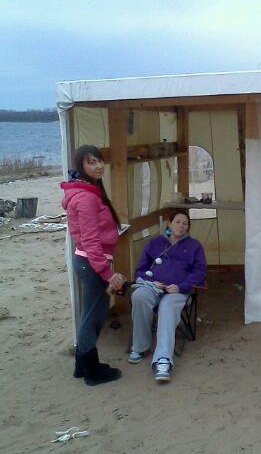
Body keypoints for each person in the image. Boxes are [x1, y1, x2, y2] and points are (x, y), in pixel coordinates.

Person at [61, 145, 126, 386]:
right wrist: (107, 272)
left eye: (99, 160)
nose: (98, 166)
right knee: (93, 316)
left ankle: (82, 366)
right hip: (92, 263)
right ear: (81, 167)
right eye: (91, 162)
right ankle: (92, 371)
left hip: (89, 261)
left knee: (91, 313)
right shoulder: (86, 197)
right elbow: (90, 240)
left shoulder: (88, 190)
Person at [128, 210, 206, 382]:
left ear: (188, 227)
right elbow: (140, 269)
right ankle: (140, 346)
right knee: (139, 296)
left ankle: (163, 359)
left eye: (185, 223)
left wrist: (181, 286)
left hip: (178, 291)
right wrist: (150, 281)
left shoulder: (194, 246)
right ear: (169, 223)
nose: (181, 226)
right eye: (177, 222)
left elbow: (200, 272)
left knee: (167, 305)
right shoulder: (155, 243)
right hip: (153, 286)